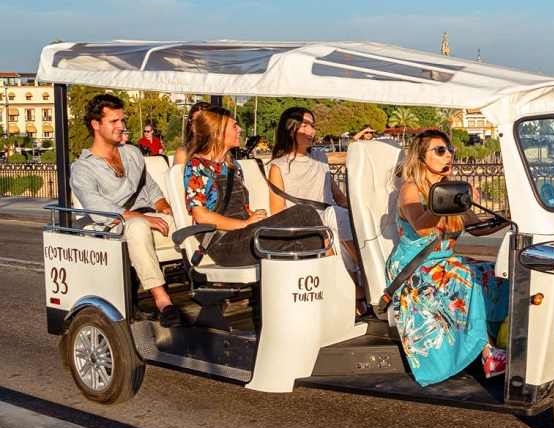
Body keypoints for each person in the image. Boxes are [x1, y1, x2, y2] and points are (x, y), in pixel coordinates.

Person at [387, 129, 509, 386]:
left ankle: (506, 339)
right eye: (440, 151)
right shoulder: (411, 189)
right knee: (467, 277)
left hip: (446, 261)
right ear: (421, 157)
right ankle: (487, 353)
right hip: (417, 265)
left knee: (496, 272)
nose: (448, 156)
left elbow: (478, 229)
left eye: (450, 150)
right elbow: (421, 228)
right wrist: (440, 202)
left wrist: (510, 219)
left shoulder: (452, 189)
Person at [71, 94, 180, 327]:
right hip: (111, 223)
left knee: (189, 220)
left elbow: (149, 186)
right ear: (96, 125)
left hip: (144, 214)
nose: (122, 126)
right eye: (114, 121)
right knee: (138, 226)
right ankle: (163, 301)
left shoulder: (131, 153)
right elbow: (97, 206)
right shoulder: (82, 167)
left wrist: (164, 206)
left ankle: (215, 285)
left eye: (122, 120)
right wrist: (139, 216)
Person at [183, 107, 325, 267]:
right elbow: (201, 217)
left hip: (244, 235)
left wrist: (255, 216)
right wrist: (247, 224)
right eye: (234, 126)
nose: (240, 129)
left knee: (302, 239)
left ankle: (306, 289)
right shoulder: (196, 166)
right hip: (223, 243)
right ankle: (330, 275)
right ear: (217, 133)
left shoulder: (233, 166)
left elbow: (241, 208)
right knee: (304, 212)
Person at [268, 107, 367, 315]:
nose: (311, 131)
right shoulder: (278, 166)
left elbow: (338, 197)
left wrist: (360, 210)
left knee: (341, 218)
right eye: (305, 125)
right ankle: (366, 269)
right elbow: (278, 213)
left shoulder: (321, 158)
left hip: (332, 221)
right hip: (305, 224)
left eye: (312, 125)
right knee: (336, 218)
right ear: (290, 129)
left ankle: (352, 289)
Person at [173, 101, 212, 165]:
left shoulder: (223, 152)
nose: (200, 125)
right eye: (195, 121)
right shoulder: (183, 154)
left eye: (204, 121)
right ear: (190, 125)